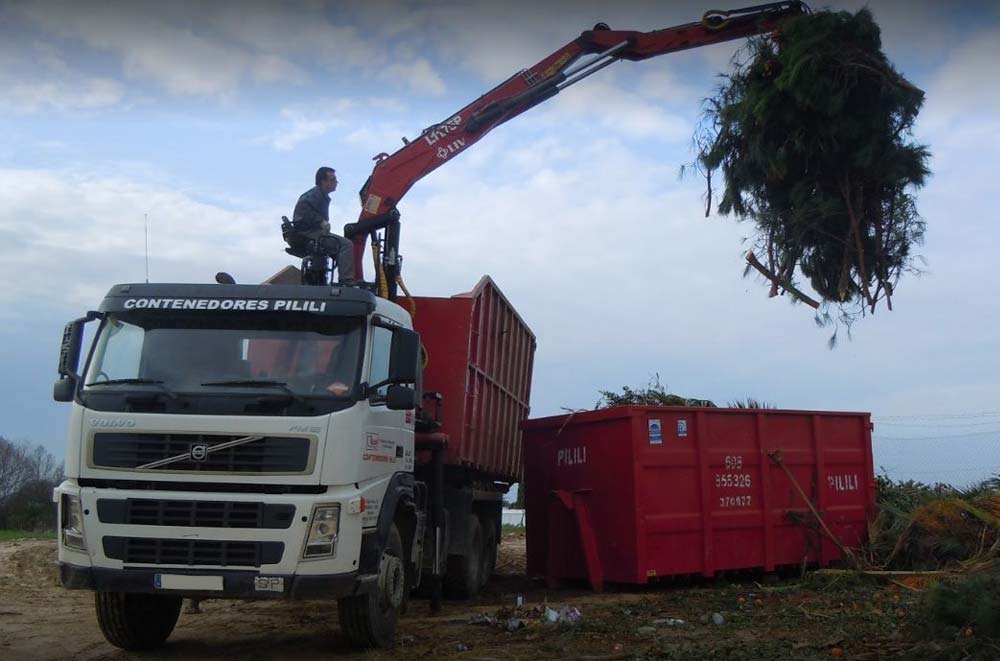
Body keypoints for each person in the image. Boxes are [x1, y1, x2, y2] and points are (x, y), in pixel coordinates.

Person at [292, 167, 358, 286]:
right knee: (346, 245)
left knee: (337, 245)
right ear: (323, 182)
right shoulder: (313, 195)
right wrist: (321, 221)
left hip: (310, 231)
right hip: (307, 232)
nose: (336, 182)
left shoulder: (320, 195)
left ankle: (325, 276)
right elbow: (303, 210)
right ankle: (346, 281)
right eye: (333, 179)